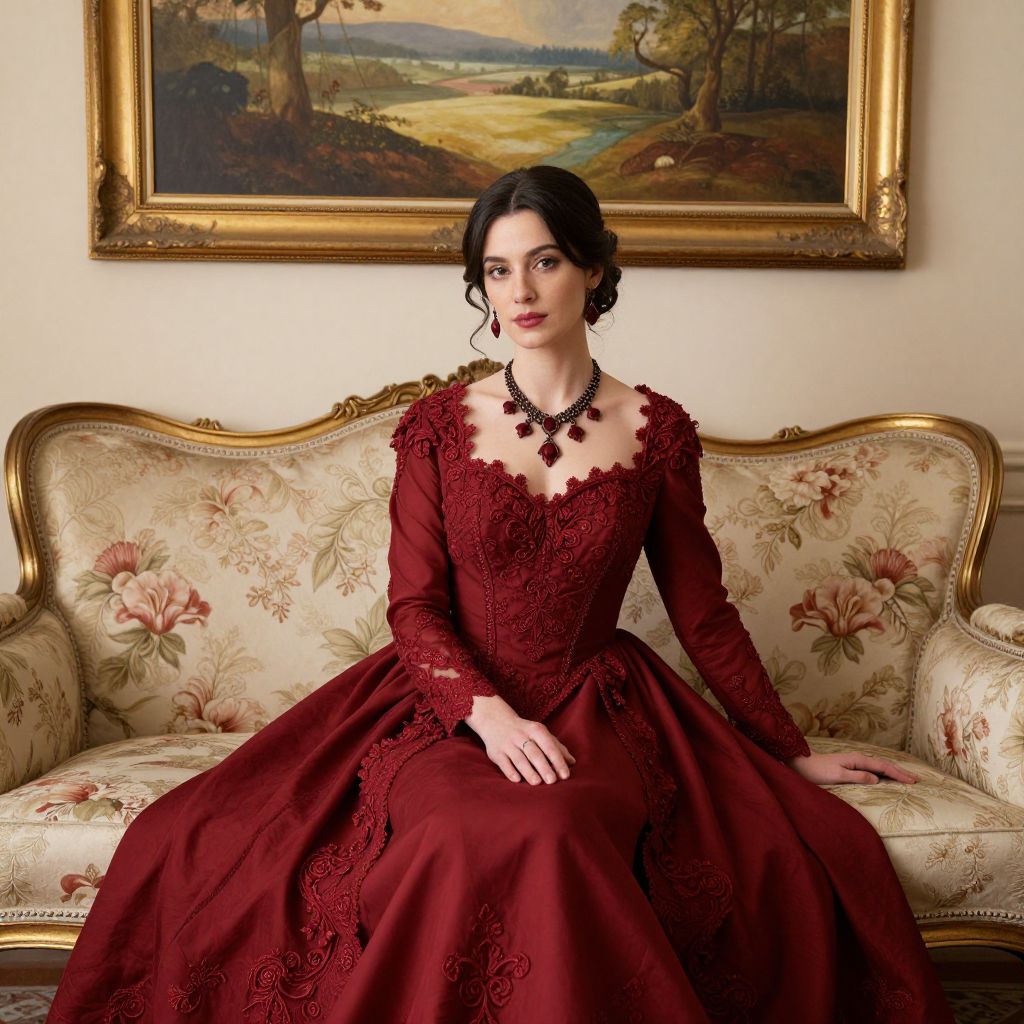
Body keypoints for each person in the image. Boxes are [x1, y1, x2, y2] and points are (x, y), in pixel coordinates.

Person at [45, 165, 957, 1024]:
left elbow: (701, 609)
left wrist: (787, 752)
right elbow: (415, 608)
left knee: (557, 827)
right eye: (497, 270)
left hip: (601, 706)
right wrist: (490, 718)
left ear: (593, 270)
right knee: (438, 827)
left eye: (545, 262)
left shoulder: (657, 431)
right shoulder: (438, 427)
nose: (518, 292)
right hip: (442, 707)